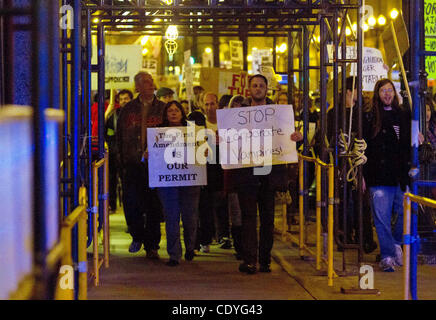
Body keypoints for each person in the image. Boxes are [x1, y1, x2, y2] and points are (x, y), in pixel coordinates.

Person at [225, 74, 302, 274]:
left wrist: (296, 137)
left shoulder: (279, 114)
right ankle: (251, 260)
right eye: (254, 85)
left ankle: (265, 259)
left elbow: (288, 138)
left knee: (267, 219)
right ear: (249, 89)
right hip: (247, 173)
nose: (258, 88)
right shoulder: (239, 114)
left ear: (267, 89)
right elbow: (231, 139)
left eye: (261, 85)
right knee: (249, 217)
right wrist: (222, 139)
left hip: (269, 172)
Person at [363, 78, 411, 272]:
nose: (387, 94)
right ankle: (388, 255)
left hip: (399, 175)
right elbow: (364, 149)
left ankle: (396, 244)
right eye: (383, 90)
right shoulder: (370, 117)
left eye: (390, 90)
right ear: (378, 93)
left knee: (401, 214)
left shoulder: (403, 115)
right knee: (381, 218)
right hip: (378, 175)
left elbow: (407, 142)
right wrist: (363, 176)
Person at [116, 72, 165, 258]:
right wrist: (121, 161)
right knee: (132, 202)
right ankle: (137, 235)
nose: (150, 84)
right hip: (132, 164)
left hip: (155, 165)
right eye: (145, 82)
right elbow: (119, 136)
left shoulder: (162, 108)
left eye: (151, 81)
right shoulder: (128, 110)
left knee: (153, 205)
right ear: (137, 87)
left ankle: (152, 245)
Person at [152, 101, 201, 266]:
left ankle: (190, 247)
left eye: (176, 110)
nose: (173, 113)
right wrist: (147, 153)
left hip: (190, 181)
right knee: (171, 217)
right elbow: (152, 155)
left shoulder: (194, 132)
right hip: (167, 182)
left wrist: (205, 151)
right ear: (166, 114)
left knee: (190, 217)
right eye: (170, 111)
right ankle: (174, 254)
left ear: (182, 112)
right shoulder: (158, 132)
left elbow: (203, 154)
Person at [196, 92, 230, 252]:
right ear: (202, 105)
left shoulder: (225, 122)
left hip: (222, 167)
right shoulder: (199, 123)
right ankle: (205, 239)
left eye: (212, 103)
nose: (210, 107)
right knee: (205, 205)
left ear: (218, 104)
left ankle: (224, 235)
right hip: (206, 168)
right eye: (207, 104)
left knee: (223, 203)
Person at [105, 89, 133, 213]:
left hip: (132, 156)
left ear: (131, 99)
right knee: (111, 180)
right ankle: (112, 205)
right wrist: (113, 147)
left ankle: (130, 211)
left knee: (129, 185)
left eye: (126, 98)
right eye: (121, 99)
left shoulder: (136, 114)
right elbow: (108, 133)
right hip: (115, 153)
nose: (123, 101)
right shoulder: (114, 115)